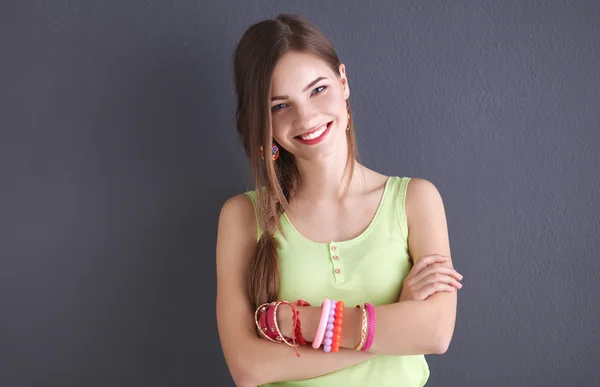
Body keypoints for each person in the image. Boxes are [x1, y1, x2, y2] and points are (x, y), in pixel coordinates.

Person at [216, 14, 463, 387]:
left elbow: (436, 333)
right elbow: (249, 367)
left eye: (317, 89)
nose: (307, 116)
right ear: (261, 119)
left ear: (343, 81)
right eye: (280, 106)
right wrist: (395, 319)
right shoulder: (242, 216)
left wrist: (301, 323)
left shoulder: (415, 200)